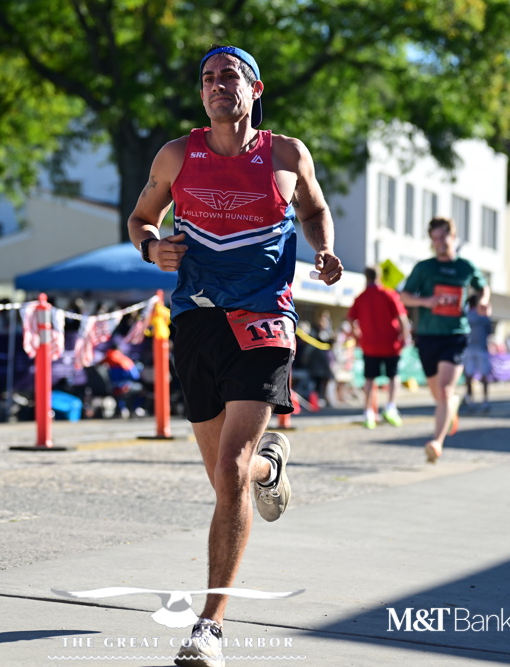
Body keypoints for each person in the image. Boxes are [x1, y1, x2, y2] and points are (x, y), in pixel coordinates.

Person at [127, 44, 342, 667]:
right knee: (228, 479)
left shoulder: (286, 154)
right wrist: (152, 249)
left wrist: (323, 248)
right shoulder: (176, 155)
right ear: (201, 94)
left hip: (264, 318)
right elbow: (141, 218)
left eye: (230, 77)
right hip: (197, 320)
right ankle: (269, 468)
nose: (218, 86)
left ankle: (210, 626)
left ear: (255, 89)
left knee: (228, 468)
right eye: (208, 79)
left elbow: (314, 208)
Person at [400, 216, 489, 464]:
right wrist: (425, 301)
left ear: (453, 237)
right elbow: (405, 296)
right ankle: (451, 408)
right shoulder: (424, 268)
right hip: (428, 336)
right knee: (439, 396)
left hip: (455, 335)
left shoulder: (465, 267)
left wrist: (483, 302)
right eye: (435, 239)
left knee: (444, 389)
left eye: (443, 237)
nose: (439, 243)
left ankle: (436, 443)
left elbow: (483, 287)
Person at [347, 265, 412, 429]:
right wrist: (405, 337)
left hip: (369, 344)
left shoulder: (361, 297)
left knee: (369, 379)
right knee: (393, 376)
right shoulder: (389, 294)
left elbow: (351, 320)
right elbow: (402, 318)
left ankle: (368, 413)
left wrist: (357, 335)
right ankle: (390, 407)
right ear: (379, 276)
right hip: (391, 343)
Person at [463, 293, 493, 412]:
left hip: (469, 349)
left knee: (469, 376)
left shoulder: (465, 317)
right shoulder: (483, 317)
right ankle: (485, 400)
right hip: (481, 348)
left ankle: (470, 400)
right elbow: (489, 331)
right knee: (484, 375)